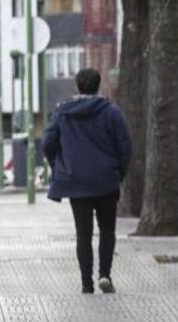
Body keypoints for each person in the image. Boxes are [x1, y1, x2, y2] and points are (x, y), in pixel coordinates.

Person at [42, 67, 133, 294]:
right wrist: (119, 172)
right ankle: (105, 274)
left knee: (83, 233)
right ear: (98, 85)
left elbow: (48, 143)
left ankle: (86, 283)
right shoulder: (111, 111)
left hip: (76, 181)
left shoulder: (63, 112)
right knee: (107, 229)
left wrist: (60, 167)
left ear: (77, 85)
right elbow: (125, 145)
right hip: (106, 180)